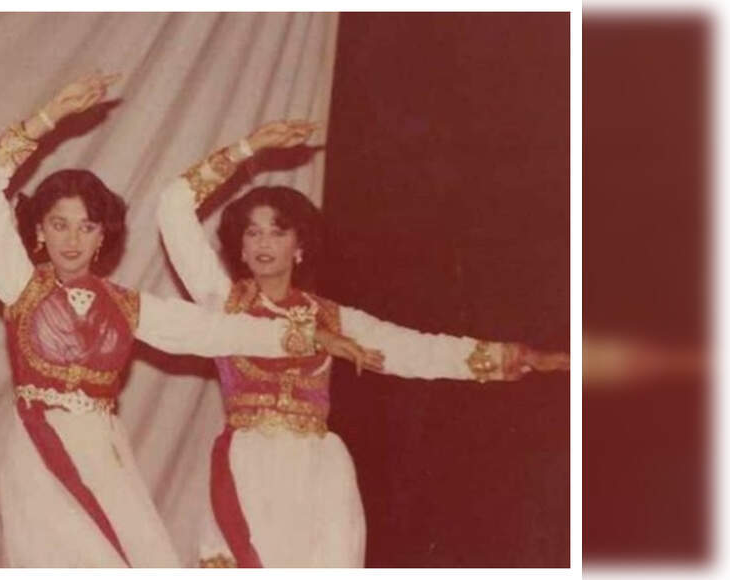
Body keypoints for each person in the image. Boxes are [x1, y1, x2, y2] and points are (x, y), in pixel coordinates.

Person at [156, 119, 570, 567]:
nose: (263, 243)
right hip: (248, 469)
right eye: (252, 232)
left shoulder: (335, 319)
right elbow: (172, 208)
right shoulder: (223, 302)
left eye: (277, 231)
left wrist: (515, 357)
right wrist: (248, 146)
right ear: (239, 247)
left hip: (319, 473)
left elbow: (415, 349)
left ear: (300, 245)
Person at [0, 78, 331, 567]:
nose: (72, 240)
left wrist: (305, 334)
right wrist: (46, 118)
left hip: (105, 456)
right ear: (39, 231)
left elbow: (211, 330)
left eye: (87, 226)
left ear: (102, 236)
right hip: (37, 458)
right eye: (59, 224)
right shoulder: (19, 284)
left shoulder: (124, 305)